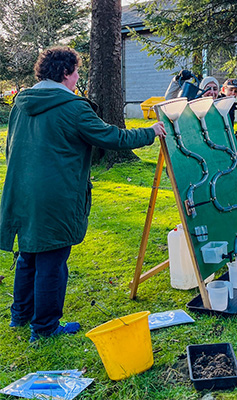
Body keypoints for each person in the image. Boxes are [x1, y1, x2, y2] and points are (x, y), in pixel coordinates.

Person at [0, 46, 167, 342]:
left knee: (28, 254)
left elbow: (9, 149)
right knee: (52, 258)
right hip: (56, 195)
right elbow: (112, 137)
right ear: (65, 73)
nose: (78, 77)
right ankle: (45, 328)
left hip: (20, 191)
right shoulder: (73, 107)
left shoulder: (21, 104)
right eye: (76, 71)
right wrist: (151, 132)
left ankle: (20, 316)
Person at [219, 78, 237, 144]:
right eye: (231, 90)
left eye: (236, 91)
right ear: (223, 89)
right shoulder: (218, 104)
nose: (233, 93)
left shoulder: (231, 106)